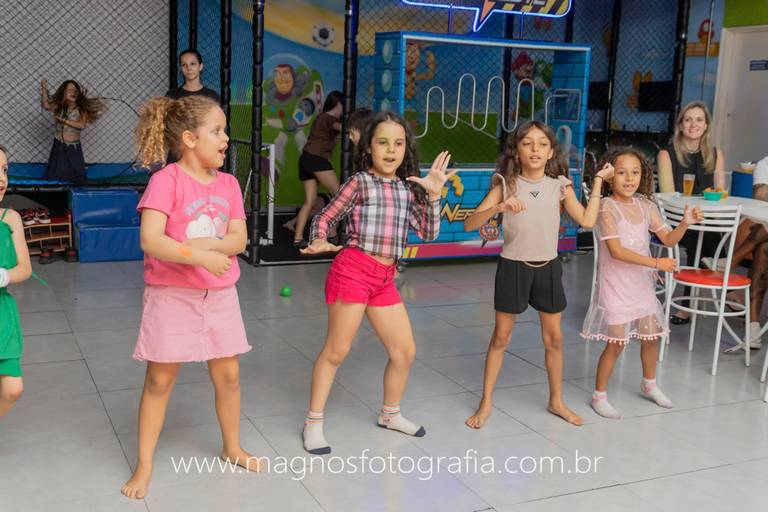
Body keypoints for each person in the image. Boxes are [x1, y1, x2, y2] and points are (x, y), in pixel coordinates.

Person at [120, 96, 256, 499]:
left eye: (225, 130)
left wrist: (208, 247)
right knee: (160, 381)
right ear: (190, 138)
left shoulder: (229, 184)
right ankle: (144, 465)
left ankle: (232, 447)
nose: (226, 138)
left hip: (219, 296)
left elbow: (239, 238)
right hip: (172, 296)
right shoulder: (167, 181)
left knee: (229, 377)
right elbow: (151, 239)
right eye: (217, 131)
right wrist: (201, 256)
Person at [299, 111, 454, 454]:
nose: (391, 150)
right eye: (383, 142)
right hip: (354, 269)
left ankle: (390, 414)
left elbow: (428, 232)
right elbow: (326, 215)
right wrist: (320, 237)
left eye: (398, 143)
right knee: (337, 350)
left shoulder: (408, 188)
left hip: (384, 278)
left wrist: (433, 195)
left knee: (404, 351)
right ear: (368, 147)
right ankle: (313, 422)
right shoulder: (359, 182)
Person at [463, 121, 613, 429]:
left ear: (550, 152)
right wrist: (498, 207)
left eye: (542, 144)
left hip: (548, 268)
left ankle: (556, 400)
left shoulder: (560, 186)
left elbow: (587, 220)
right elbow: (469, 224)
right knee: (501, 337)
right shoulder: (504, 184)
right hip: (513, 267)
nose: (535, 149)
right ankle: (486, 402)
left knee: (554, 339)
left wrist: (598, 182)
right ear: (516, 151)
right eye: (527, 143)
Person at [581, 147, 703, 418]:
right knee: (616, 343)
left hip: (640, 285)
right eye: (622, 173)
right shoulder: (607, 208)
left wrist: (685, 223)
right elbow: (617, 252)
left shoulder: (645, 205)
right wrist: (656, 263)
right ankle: (599, 396)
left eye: (635, 172)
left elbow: (668, 239)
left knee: (651, 337)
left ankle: (649, 384)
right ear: (610, 176)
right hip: (615, 286)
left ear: (643, 175)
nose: (629, 179)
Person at [657, 100, 725, 325]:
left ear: (706, 126)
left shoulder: (715, 154)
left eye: (699, 120)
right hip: (676, 221)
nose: (693, 125)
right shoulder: (667, 154)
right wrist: (691, 217)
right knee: (701, 235)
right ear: (680, 125)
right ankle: (728, 289)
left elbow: (720, 194)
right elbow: (667, 198)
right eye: (688, 120)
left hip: (706, 220)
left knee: (708, 232)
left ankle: (691, 302)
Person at [0, 144, 33, 418]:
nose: (2, 179)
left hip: (3, 316)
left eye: (4, 170)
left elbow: (25, 268)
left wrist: (4, 275)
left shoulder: (10, 218)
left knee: (13, 388)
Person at [292, 91, 344, 247]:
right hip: (317, 159)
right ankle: (332, 234)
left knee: (310, 201)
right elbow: (339, 127)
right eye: (343, 107)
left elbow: (330, 134)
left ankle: (298, 239)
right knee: (339, 196)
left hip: (305, 159)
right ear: (339, 104)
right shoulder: (328, 118)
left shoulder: (320, 119)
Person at [40, 79, 106, 185]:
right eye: (70, 90)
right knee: (55, 174)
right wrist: (44, 88)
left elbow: (81, 125)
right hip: (59, 144)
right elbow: (46, 105)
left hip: (73, 147)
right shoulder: (60, 106)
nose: (73, 92)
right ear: (64, 93)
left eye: (75, 90)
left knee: (76, 176)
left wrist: (64, 120)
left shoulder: (81, 108)